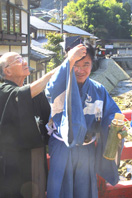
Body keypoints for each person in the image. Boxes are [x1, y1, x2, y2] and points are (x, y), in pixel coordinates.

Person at [0, 46, 86, 198]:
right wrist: (68, 61)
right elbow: (22, 95)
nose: (24, 61)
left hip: (36, 153)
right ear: (7, 71)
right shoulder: (4, 91)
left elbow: (51, 117)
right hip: (12, 159)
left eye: (22, 58)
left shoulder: (35, 94)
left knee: (37, 192)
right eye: (18, 60)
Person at [45, 43, 126, 198]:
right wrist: (69, 60)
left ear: (92, 65)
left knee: (86, 190)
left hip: (86, 149)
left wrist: (113, 126)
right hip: (62, 147)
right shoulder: (59, 87)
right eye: (75, 64)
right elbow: (52, 91)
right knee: (60, 190)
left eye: (86, 64)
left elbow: (112, 113)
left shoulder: (98, 89)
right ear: (68, 64)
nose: (80, 70)